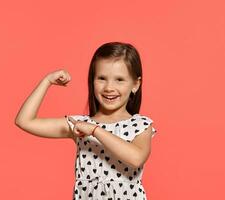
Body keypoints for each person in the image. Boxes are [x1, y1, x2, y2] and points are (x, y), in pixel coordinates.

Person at [15, 41, 157, 199]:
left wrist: (95, 131)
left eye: (119, 80)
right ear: (92, 80)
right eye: (102, 78)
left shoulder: (140, 125)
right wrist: (47, 81)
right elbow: (24, 121)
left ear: (135, 84)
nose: (109, 87)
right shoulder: (79, 125)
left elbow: (136, 158)